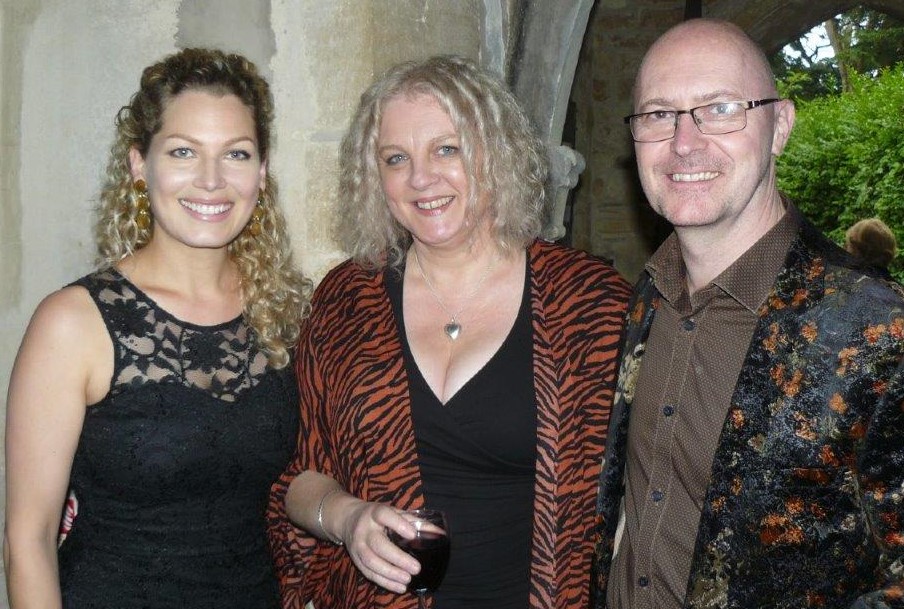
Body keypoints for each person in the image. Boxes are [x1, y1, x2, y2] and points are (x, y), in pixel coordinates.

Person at [266, 55, 631, 609]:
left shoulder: (589, 302)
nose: (420, 178)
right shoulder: (345, 300)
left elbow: (647, 487)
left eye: (447, 149)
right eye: (396, 158)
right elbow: (298, 474)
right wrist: (347, 516)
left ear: (496, 153)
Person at [590, 18, 904, 609]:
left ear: (779, 126)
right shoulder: (648, 297)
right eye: (659, 114)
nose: (685, 142)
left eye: (721, 108)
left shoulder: (880, 331)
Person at [4, 48, 311, 608]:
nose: (212, 180)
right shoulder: (73, 323)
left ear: (262, 172)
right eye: (183, 151)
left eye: (236, 154)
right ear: (139, 164)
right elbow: (29, 541)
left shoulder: (283, 311)